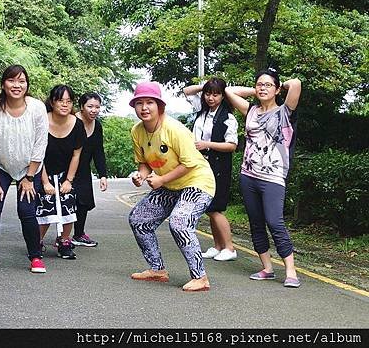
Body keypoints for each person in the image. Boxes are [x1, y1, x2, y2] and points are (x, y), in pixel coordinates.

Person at [127, 82, 216, 292]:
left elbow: (189, 163)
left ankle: (200, 277)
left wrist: (161, 180)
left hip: (197, 182)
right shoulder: (137, 131)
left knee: (180, 222)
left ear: (160, 106)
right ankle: (157, 270)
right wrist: (141, 175)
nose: (144, 108)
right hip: (170, 185)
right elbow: (144, 163)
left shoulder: (174, 129)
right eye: (139, 103)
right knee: (139, 219)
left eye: (150, 102)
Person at [225, 70, 302, 288]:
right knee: (256, 223)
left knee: (274, 222)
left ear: (277, 89)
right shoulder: (250, 111)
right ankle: (267, 268)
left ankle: (290, 270)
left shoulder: (285, 112)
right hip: (248, 175)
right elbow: (229, 91)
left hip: (274, 176)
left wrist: (278, 86)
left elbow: (296, 83)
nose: (263, 88)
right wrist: (257, 91)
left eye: (268, 85)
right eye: (260, 85)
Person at [0, 65, 48, 275]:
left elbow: (41, 144)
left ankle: (35, 257)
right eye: (12, 81)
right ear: (3, 84)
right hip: (1, 166)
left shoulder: (37, 107)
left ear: (27, 85)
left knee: (27, 211)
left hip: (29, 167)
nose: (17, 85)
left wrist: (30, 177)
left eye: (22, 81)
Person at [183, 78, 238, 261]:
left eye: (215, 94)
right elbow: (187, 91)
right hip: (201, 164)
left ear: (223, 96)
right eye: (208, 94)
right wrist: (206, 84)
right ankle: (218, 246)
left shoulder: (228, 118)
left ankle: (230, 248)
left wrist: (207, 144)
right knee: (208, 207)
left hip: (219, 166)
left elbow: (231, 145)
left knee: (216, 207)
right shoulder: (202, 111)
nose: (210, 98)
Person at [36, 85, 85, 260]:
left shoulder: (77, 124)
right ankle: (37, 242)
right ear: (52, 102)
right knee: (46, 204)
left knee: (68, 201)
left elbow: (76, 154)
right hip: (42, 170)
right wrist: (45, 182)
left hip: (67, 172)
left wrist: (68, 180)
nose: (65, 105)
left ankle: (64, 241)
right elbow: (37, 154)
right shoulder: (41, 121)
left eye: (69, 101)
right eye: (60, 101)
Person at [72, 92, 108, 247]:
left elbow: (98, 151)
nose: (94, 110)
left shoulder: (97, 125)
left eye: (97, 107)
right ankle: (62, 237)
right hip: (66, 168)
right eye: (90, 106)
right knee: (65, 201)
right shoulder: (72, 121)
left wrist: (103, 175)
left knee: (83, 202)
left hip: (84, 169)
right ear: (81, 107)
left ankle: (78, 234)